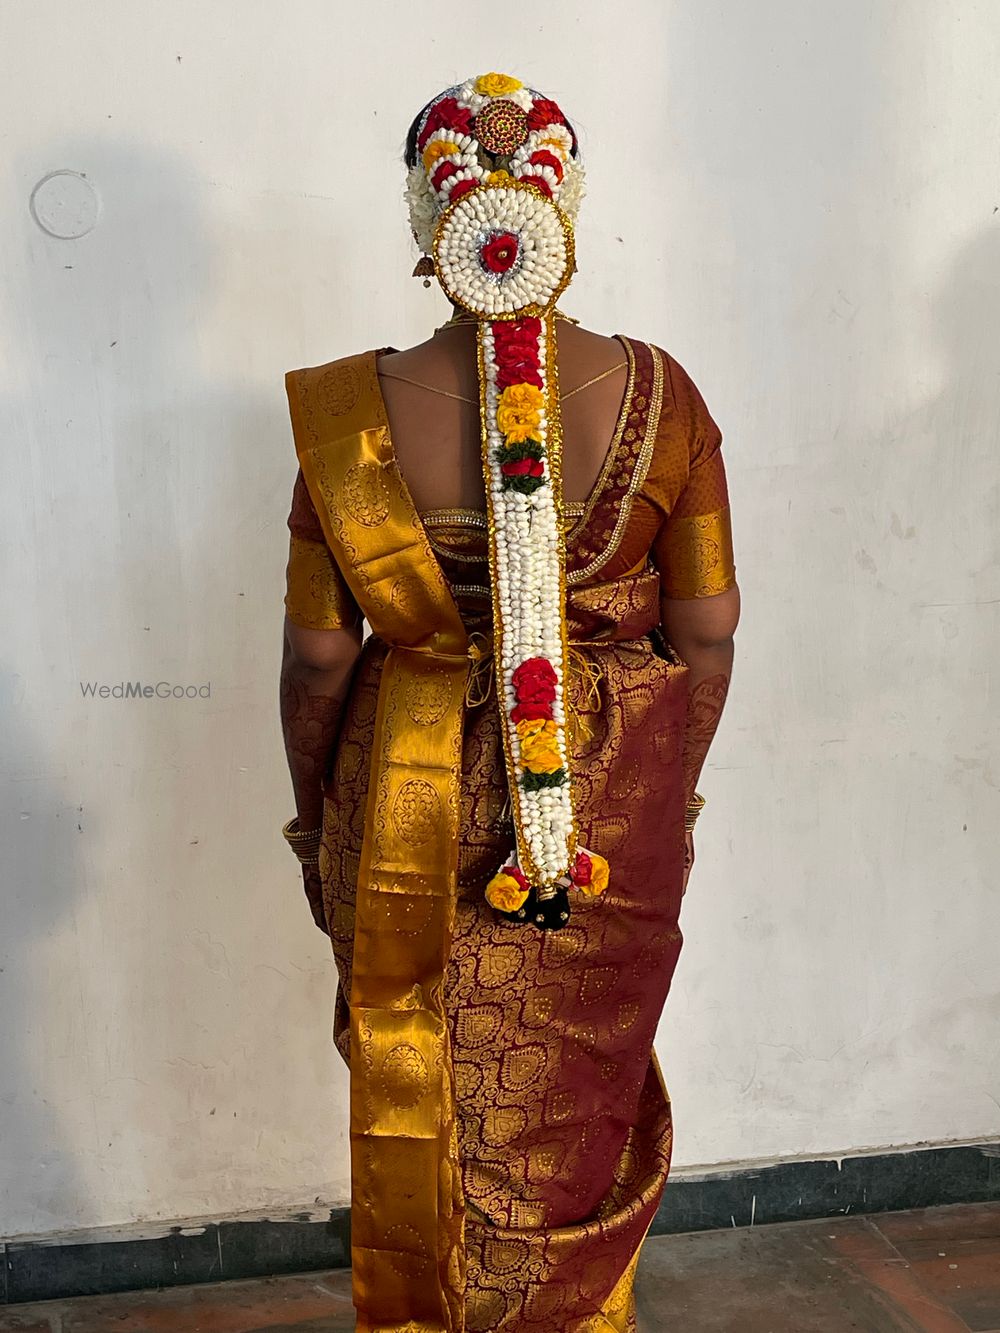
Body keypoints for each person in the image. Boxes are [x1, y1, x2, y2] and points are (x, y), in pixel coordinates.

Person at [279, 71, 740, 1333]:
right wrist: (664, 784)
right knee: (575, 1090)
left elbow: (320, 660)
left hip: (404, 784)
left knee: (429, 1077)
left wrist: (317, 817)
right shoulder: (664, 395)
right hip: (612, 792)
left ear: (428, 217)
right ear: (564, 202)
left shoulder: (342, 413)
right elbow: (703, 631)